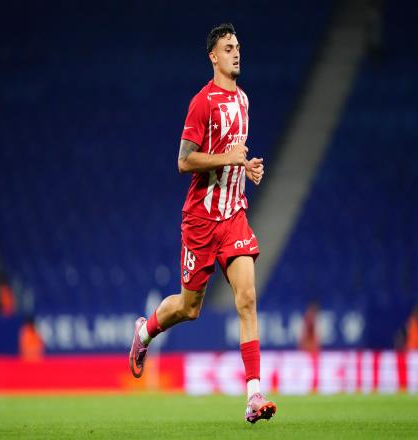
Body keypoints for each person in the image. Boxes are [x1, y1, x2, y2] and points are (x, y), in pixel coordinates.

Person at [129, 23, 276, 423]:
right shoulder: (202, 103)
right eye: (228, 48)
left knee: (247, 298)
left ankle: (253, 395)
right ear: (213, 56)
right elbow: (184, 161)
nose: (236, 52)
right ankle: (144, 332)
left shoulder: (243, 100)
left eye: (238, 46)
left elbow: (232, 155)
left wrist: (246, 167)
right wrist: (230, 158)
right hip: (200, 220)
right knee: (189, 307)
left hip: (234, 215)